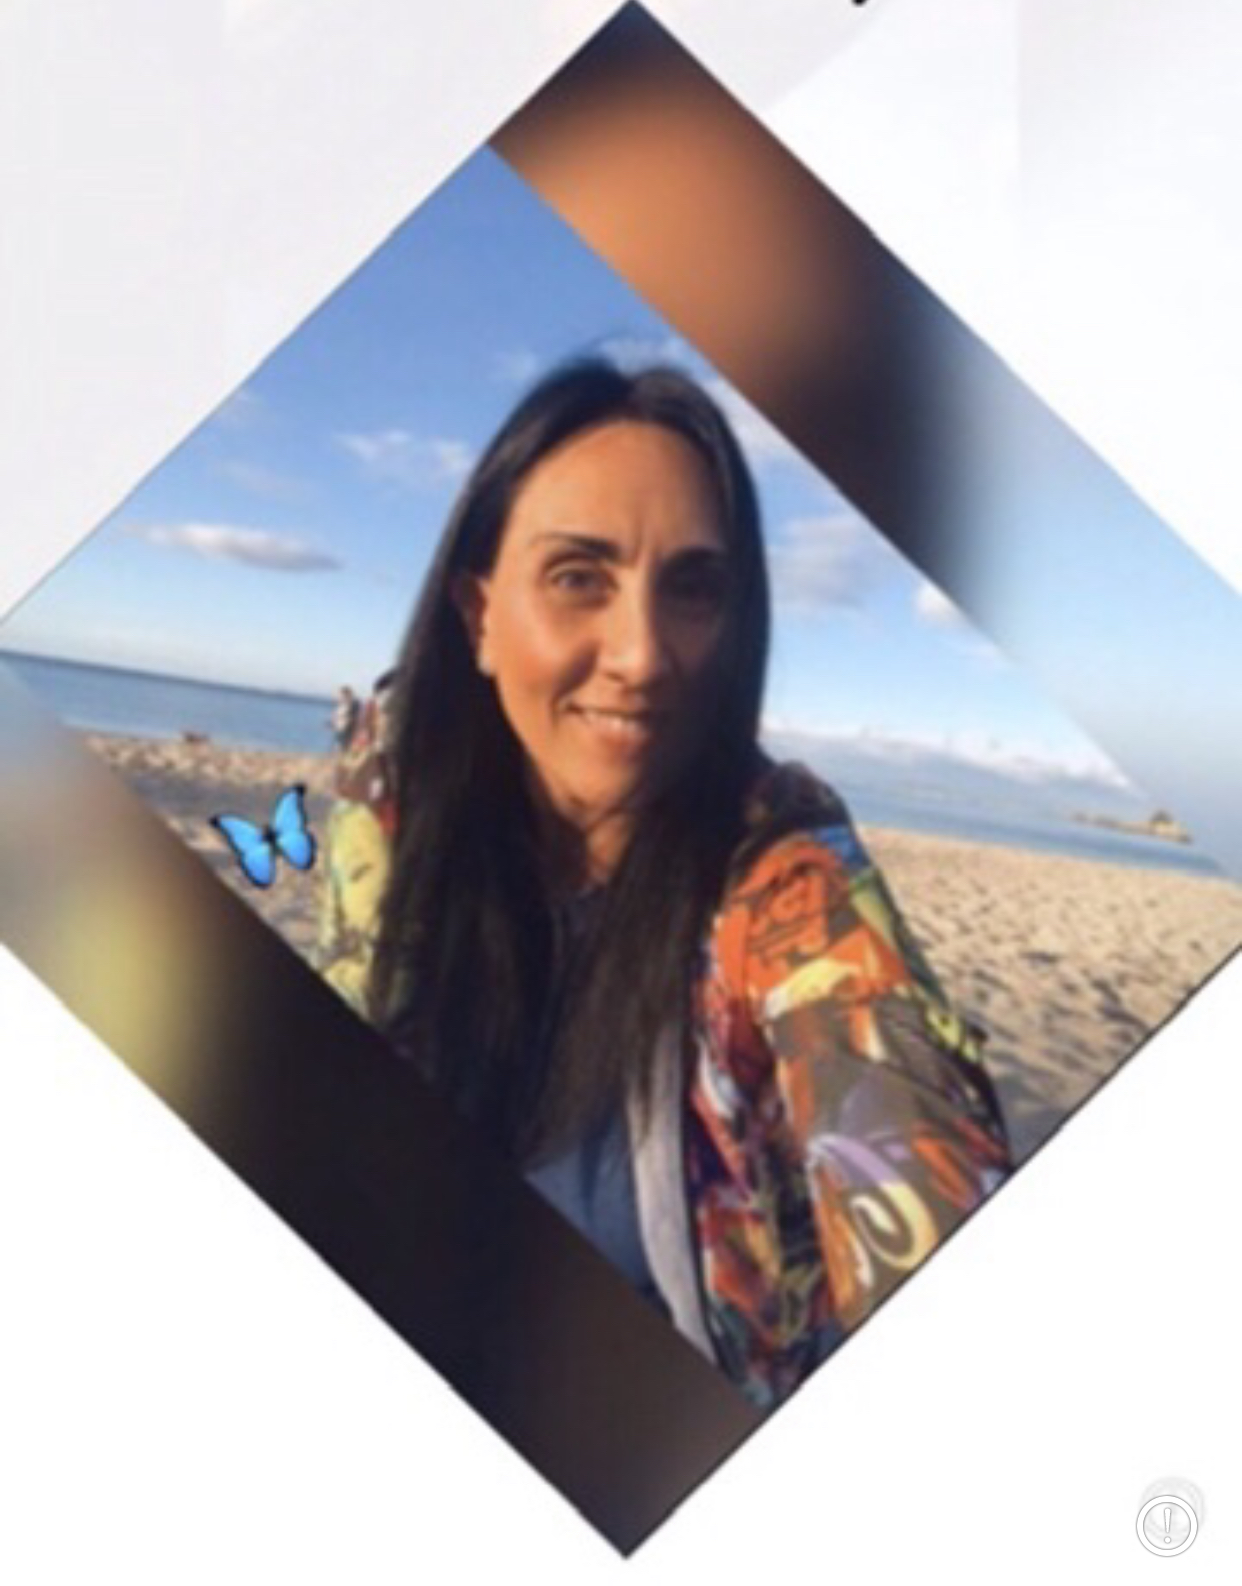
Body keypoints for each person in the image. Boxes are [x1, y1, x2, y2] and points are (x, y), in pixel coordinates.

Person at [336, 359, 1012, 1409]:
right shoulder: (392, 798)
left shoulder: (781, 873)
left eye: (693, 588)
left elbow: (896, 1124)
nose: (644, 656)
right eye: (578, 576)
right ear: (479, 615)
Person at [328, 685, 360, 752]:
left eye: (341, 695)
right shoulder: (342, 704)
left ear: (347, 695)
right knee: (338, 746)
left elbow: (352, 717)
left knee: (342, 747)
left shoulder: (353, 704)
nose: (339, 697)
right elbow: (337, 716)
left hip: (345, 729)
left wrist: (343, 719)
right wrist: (332, 722)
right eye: (340, 695)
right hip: (339, 728)